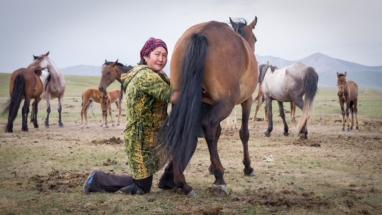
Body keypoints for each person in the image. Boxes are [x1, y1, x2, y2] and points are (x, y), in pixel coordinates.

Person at [83, 37, 180, 195]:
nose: (161, 59)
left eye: (165, 55)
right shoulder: (146, 76)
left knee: (143, 184)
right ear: (146, 56)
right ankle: (97, 179)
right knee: (142, 187)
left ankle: (169, 179)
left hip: (151, 135)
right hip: (140, 139)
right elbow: (174, 97)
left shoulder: (149, 73)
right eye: (157, 54)